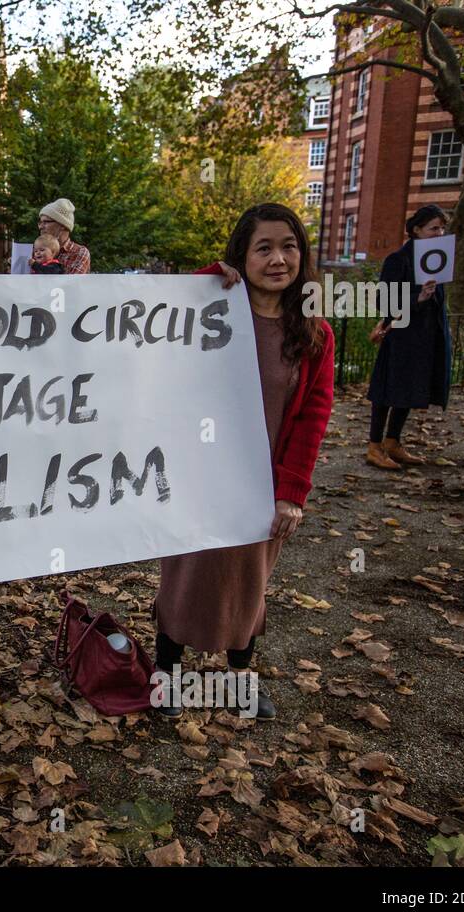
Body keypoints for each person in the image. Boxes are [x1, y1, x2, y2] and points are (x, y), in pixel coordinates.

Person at [152, 203, 335, 720]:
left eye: (289, 246)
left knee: (250, 578)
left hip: (262, 481)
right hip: (200, 473)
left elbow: (312, 416)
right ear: (243, 255)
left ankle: (239, 679)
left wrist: (292, 490)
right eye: (264, 248)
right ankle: (167, 676)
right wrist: (207, 280)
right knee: (186, 571)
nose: (278, 259)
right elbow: (157, 326)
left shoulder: (314, 334)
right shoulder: (212, 309)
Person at [364, 205, 452, 470]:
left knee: (410, 390)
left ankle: (393, 442)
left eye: (442, 228)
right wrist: (418, 298)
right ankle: (374, 446)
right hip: (402, 337)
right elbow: (382, 300)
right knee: (387, 392)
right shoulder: (398, 260)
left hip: (426, 336)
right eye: (434, 228)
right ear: (417, 229)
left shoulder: (437, 259)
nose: (440, 233)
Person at [38, 198, 90, 274]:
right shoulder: (35, 251)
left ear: (62, 225)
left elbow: (70, 284)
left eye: (46, 222)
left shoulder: (78, 252)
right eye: (40, 222)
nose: (40, 227)